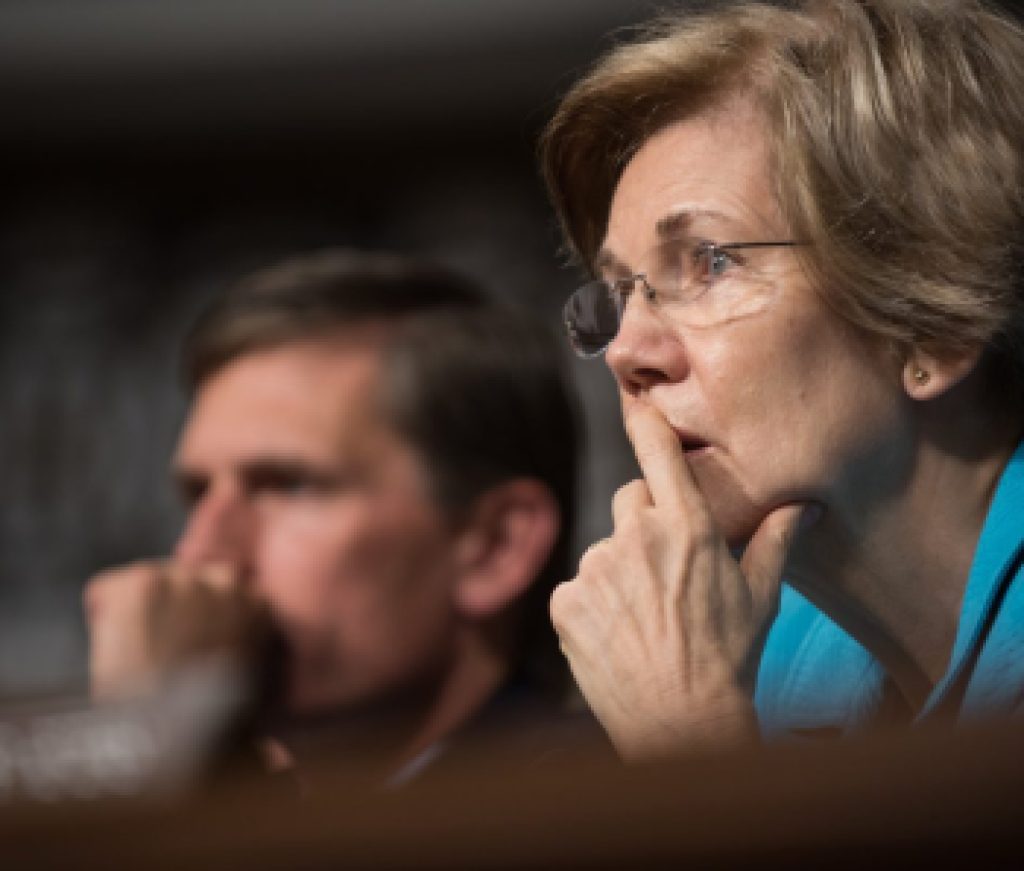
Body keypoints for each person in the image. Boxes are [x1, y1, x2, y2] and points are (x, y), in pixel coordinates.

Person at [539, 0, 1024, 758]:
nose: (627, 351)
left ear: (934, 323)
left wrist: (689, 746)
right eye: (619, 292)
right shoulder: (740, 644)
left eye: (710, 261)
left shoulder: (698, 688)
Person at [85, 249, 584, 785]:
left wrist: (154, 739)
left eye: (289, 486)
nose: (202, 553)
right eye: (198, 493)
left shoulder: (591, 816)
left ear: (495, 546)